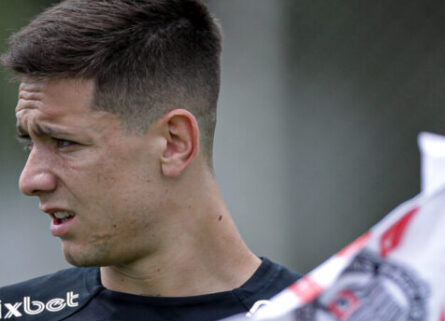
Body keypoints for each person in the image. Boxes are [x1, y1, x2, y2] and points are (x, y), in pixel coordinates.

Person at [0, 0, 300, 320]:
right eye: (29, 142)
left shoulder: (322, 312)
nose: (30, 181)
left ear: (174, 143)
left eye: (64, 142)